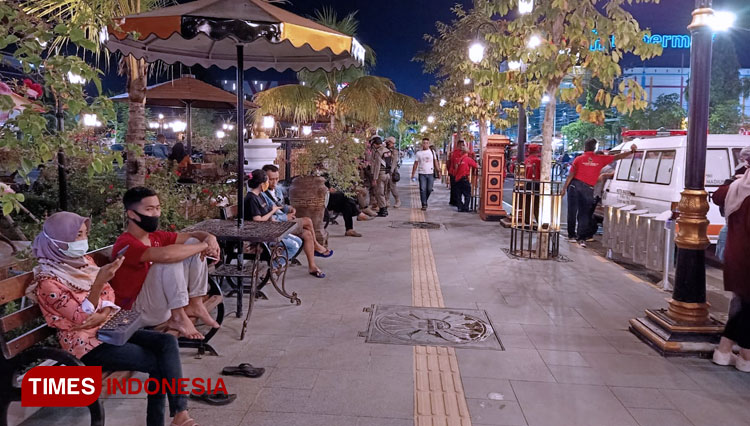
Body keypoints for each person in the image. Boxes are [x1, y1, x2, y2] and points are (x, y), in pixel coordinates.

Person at [28, 212, 196, 426]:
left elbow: (108, 294)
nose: (83, 241)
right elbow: (80, 317)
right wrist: (98, 285)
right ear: (58, 240)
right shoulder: (47, 281)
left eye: (85, 234)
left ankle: (180, 413)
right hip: (86, 347)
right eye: (78, 235)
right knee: (158, 363)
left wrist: (103, 310)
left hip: (107, 330)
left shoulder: (83, 262)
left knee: (167, 342)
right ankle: (169, 419)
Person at [111, 187, 221, 340]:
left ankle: (196, 303)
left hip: (159, 305)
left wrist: (209, 238)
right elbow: (166, 255)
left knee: (193, 242)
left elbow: (194, 235)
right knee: (168, 260)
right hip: (135, 312)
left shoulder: (155, 236)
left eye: (157, 208)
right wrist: (204, 246)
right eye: (149, 209)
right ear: (131, 214)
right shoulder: (126, 244)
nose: (156, 214)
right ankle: (178, 317)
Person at [245, 169, 328, 278]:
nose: (270, 183)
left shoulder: (259, 195)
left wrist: (273, 217)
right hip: (261, 234)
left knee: (298, 240)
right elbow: (257, 220)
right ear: (262, 183)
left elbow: (270, 211)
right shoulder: (251, 198)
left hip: (269, 229)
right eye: (267, 180)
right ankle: (271, 270)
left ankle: (273, 268)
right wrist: (273, 213)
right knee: (294, 245)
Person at [711, 146, 750, 372]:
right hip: (746, 257)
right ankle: (734, 351)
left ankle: (730, 352)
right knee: (746, 306)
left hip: (736, 254)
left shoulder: (735, 187)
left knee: (743, 304)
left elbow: (718, 196)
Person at [561, 139, 637, 247]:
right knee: (584, 214)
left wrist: (564, 188)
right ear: (595, 148)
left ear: (585, 147)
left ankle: (571, 236)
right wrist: (631, 152)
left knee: (572, 211)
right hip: (588, 188)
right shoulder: (600, 159)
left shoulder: (578, 159)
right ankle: (581, 238)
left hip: (575, 185)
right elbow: (618, 157)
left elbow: (571, 175)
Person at [411, 137, 439, 211]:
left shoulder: (432, 152)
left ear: (429, 144)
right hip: (422, 173)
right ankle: (424, 204)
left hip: (430, 173)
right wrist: (413, 174)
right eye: (424, 143)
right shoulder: (419, 153)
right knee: (422, 189)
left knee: (429, 189)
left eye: (427, 143)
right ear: (422, 144)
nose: (425, 144)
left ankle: (425, 200)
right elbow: (415, 164)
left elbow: (435, 162)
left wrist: (438, 171)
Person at [369, 136, 393, 217]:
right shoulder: (387, 150)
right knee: (385, 192)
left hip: (380, 174)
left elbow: (377, 166)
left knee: (379, 193)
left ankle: (383, 210)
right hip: (387, 174)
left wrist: (374, 178)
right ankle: (384, 208)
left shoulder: (379, 151)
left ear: (375, 144)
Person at [453, 145, 479, 212]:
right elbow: (476, 166)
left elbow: (456, 169)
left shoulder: (459, 159)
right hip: (464, 178)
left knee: (459, 194)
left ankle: (460, 207)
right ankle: (465, 207)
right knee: (467, 194)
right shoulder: (468, 159)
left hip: (458, 178)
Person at [447, 140, 466, 206]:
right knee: (456, 188)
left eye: (463, 145)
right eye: (461, 145)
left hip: (454, 172)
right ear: (458, 145)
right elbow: (455, 164)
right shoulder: (456, 153)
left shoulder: (455, 153)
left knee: (454, 188)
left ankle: (453, 201)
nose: (462, 146)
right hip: (455, 172)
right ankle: (455, 201)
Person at [385, 136, 401, 208]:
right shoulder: (385, 149)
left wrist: (391, 170)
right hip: (385, 170)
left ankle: (397, 200)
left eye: (392, 143)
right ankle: (387, 201)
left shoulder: (394, 151)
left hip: (392, 171)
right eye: (390, 142)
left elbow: (394, 161)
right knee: (386, 187)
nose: (391, 144)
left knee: (392, 187)